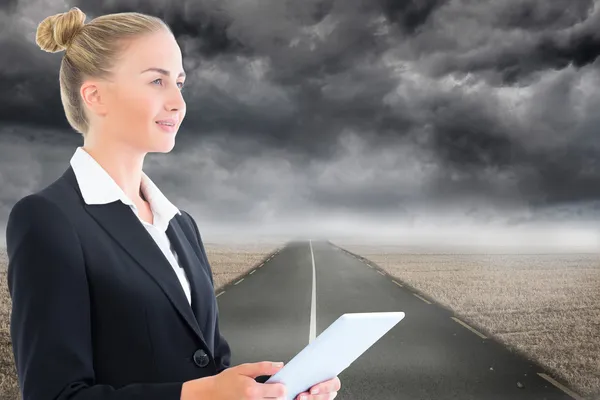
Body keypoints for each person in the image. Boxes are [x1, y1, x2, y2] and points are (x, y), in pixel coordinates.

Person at [4, 7, 341, 400]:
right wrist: (198, 395)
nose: (178, 102)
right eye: (157, 81)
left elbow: (211, 370)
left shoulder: (180, 224)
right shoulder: (47, 219)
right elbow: (54, 395)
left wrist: (277, 390)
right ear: (95, 96)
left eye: (179, 83)